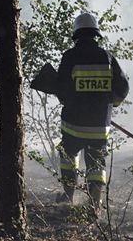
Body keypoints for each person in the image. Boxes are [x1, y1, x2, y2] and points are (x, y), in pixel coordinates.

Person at [55, 12, 129, 207]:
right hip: (99, 126)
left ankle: (68, 196)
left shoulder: (70, 57)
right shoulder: (107, 57)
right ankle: (95, 203)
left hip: (73, 124)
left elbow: (61, 89)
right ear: (96, 34)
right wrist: (109, 104)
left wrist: (71, 100)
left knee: (68, 155)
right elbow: (122, 88)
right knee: (96, 162)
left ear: (77, 34)